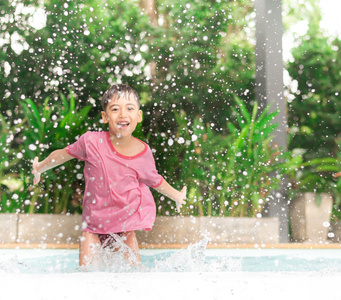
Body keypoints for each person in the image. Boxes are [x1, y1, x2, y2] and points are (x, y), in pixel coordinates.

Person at [32, 84, 187, 266]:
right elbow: (63, 154)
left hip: (125, 227)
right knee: (86, 274)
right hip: (93, 227)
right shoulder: (91, 142)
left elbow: (155, 180)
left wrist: (176, 195)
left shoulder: (143, 152)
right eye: (115, 109)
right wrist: (39, 168)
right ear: (105, 117)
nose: (122, 114)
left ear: (139, 115)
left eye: (129, 108)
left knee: (134, 272)